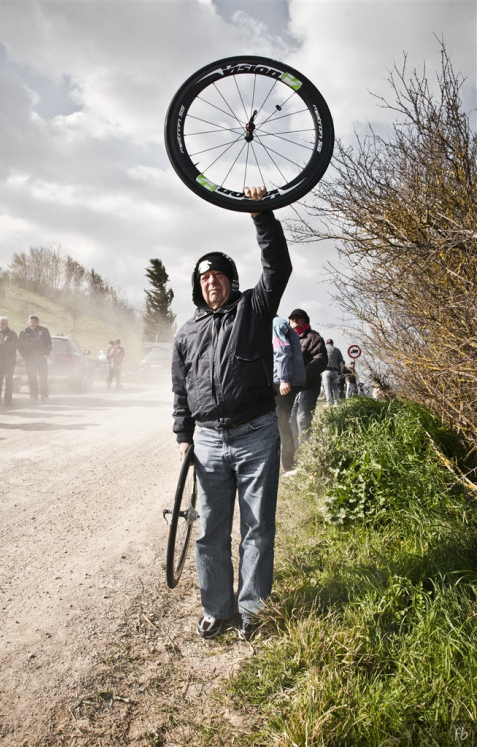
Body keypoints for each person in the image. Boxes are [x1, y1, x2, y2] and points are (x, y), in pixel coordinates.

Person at [172, 186, 291, 640]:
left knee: (258, 528)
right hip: (207, 440)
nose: (211, 282)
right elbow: (180, 389)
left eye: (219, 275)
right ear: (197, 287)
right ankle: (217, 610)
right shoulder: (186, 332)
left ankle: (253, 613)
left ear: (232, 280)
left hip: (257, 433)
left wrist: (262, 215)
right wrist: (183, 434)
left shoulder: (254, 310)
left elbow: (277, 267)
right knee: (210, 531)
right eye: (204, 278)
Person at [288, 309, 327, 446]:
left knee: (303, 418)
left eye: (298, 318)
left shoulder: (314, 338)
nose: (294, 320)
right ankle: (297, 452)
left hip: (309, 386)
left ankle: (306, 453)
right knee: (291, 420)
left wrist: (303, 376)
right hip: (292, 389)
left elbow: (321, 360)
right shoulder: (288, 338)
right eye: (292, 318)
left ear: (306, 320)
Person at [272, 315, 305, 473]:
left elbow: (282, 351)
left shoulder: (275, 323)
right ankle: (288, 463)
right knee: (283, 422)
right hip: (284, 379)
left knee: (282, 423)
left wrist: (284, 378)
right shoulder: (280, 322)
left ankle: (288, 464)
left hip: (281, 381)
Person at [17, 314, 52, 401]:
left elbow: (48, 343)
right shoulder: (23, 332)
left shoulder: (43, 330)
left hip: (41, 358)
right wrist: (24, 355)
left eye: (33, 322)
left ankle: (44, 396)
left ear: (37, 322)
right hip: (30, 359)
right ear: (27, 322)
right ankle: (33, 397)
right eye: (30, 322)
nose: (31, 324)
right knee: (32, 378)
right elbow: (19, 345)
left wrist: (46, 354)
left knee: (43, 378)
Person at [0, 317, 18, 406]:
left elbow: (13, 346)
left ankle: (8, 400)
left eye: (2, 323)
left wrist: (0, 345)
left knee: (8, 381)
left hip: (9, 362)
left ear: (6, 324)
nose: (0, 325)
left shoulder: (12, 334)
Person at [322, 338, 345, 407]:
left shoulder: (323, 349)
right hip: (335, 371)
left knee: (327, 388)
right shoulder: (337, 350)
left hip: (326, 371)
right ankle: (336, 403)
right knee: (335, 388)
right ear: (332, 343)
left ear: (326, 343)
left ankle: (329, 403)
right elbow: (341, 361)